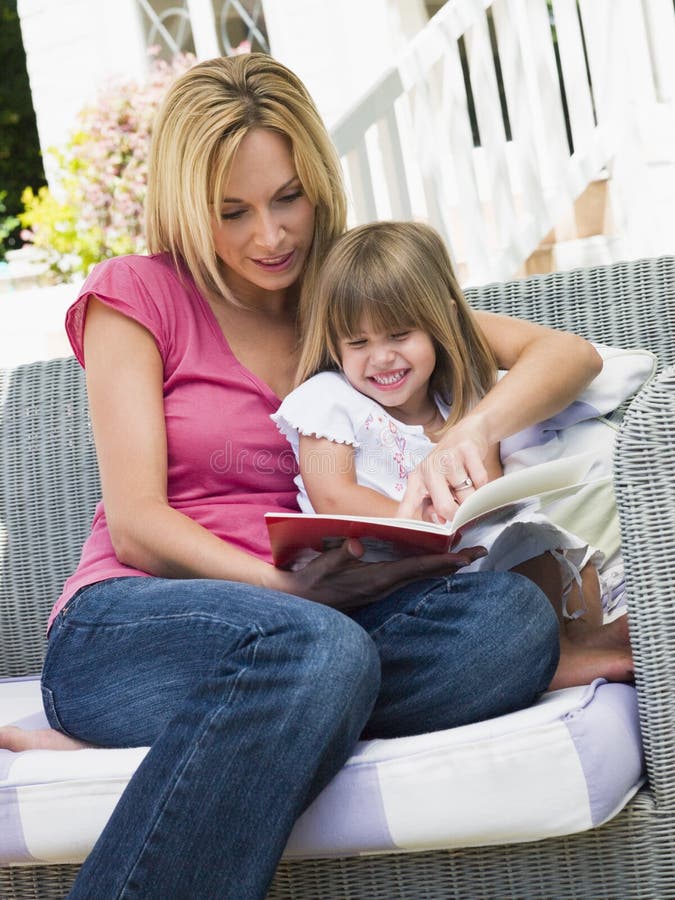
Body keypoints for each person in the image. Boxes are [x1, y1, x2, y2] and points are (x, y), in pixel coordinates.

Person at [0, 53, 607, 900]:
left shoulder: (347, 299)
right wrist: (293, 596)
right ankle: (233, 709)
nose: (271, 235)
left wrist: (464, 432)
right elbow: (139, 521)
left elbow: (564, 354)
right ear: (185, 206)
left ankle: (195, 743)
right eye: (232, 212)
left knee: (506, 621)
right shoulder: (133, 295)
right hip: (134, 624)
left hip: (331, 621)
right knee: (315, 650)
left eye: (288, 197)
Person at [273, 220, 633, 688]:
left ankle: (581, 640)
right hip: (380, 579)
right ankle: (562, 659)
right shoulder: (328, 398)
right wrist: (415, 525)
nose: (380, 358)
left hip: (463, 557)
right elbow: (333, 496)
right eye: (357, 343)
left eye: (398, 335)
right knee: (516, 560)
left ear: (438, 323)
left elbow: (488, 492)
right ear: (334, 344)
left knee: (548, 544)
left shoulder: (455, 405)